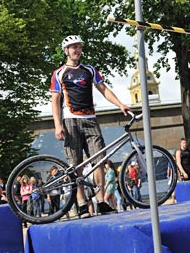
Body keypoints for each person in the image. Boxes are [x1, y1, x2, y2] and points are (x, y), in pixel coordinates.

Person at [50, 35, 131, 219]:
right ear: (66, 51)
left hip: (91, 119)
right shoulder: (59, 73)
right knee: (75, 165)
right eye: (73, 47)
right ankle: (82, 205)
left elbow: (103, 89)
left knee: (100, 161)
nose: (76, 50)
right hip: (70, 121)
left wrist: (120, 104)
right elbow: (55, 100)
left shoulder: (90, 70)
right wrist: (57, 125)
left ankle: (101, 201)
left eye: (79, 47)